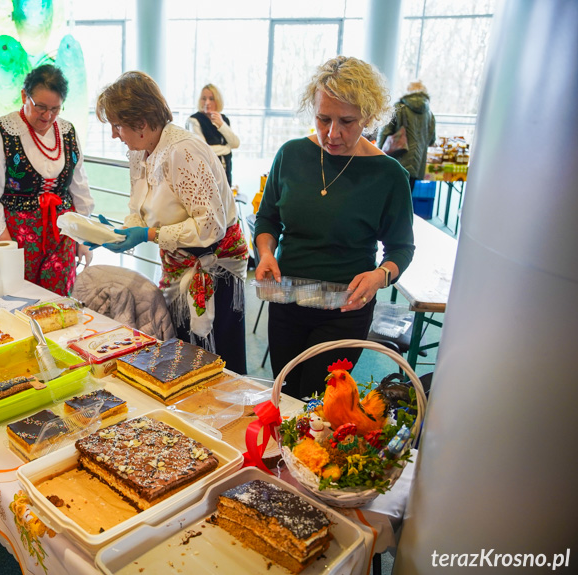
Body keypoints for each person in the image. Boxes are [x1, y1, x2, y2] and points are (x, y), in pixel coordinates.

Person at [254, 56, 415, 400]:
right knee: (283, 394)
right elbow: (268, 220)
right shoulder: (291, 155)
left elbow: (402, 248)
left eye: (347, 121)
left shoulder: (388, 176)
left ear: (369, 117)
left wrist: (379, 276)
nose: (332, 133)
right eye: (323, 118)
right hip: (288, 299)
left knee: (316, 402)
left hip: (345, 308)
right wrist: (266, 252)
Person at [93, 71, 248, 374]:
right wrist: (118, 233)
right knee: (183, 352)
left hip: (214, 268)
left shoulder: (183, 152)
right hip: (179, 265)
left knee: (215, 360)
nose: (114, 134)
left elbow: (210, 227)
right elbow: (139, 206)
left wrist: (149, 234)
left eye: (117, 125)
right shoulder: (140, 151)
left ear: (142, 123)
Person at [0, 64, 94, 296]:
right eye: (40, 107)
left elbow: (80, 189)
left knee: (59, 301)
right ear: (23, 96)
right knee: (18, 299)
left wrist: (83, 237)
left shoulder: (68, 132)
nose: (47, 116)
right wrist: (4, 245)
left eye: (55, 109)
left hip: (63, 235)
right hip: (16, 237)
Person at [377, 80, 436, 191]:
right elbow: (431, 140)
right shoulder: (429, 114)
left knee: (389, 199)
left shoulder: (399, 108)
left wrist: (378, 155)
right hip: (417, 167)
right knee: (405, 201)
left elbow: (384, 132)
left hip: (396, 163)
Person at [185, 84, 240, 186]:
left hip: (225, 174)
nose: (207, 103)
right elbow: (201, 149)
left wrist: (221, 125)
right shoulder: (193, 121)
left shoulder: (223, 119)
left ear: (218, 100)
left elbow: (235, 143)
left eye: (211, 99)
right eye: (203, 98)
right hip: (205, 177)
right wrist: (226, 149)